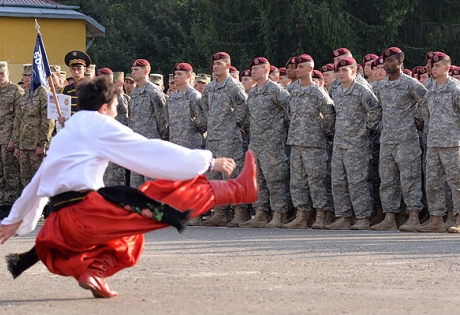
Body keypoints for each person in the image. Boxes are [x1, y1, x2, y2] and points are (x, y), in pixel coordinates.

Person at [0, 76, 258, 298]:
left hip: (59, 225)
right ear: (103, 107)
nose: (116, 112)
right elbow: (147, 151)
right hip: (86, 215)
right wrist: (208, 161)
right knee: (160, 195)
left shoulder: (65, 133)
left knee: (128, 237)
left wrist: (15, 220)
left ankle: (94, 272)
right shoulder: (100, 125)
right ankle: (238, 190)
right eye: (114, 106)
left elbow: (38, 183)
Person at [371, 47, 427, 232]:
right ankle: (390, 217)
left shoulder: (411, 84)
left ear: (400, 62)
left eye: (391, 61)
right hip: (387, 140)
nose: (387, 65)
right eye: (385, 61)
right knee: (387, 181)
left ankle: (413, 217)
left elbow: (427, 102)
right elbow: (376, 109)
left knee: (410, 179)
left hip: (406, 140)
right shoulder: (380, 86)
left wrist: (417, 118)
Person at [326, 57, 381, 230]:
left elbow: (375, 111)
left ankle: (363, 217)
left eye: (345, 70)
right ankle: (343, 216)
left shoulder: (361, 90)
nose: (341, 73)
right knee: (338, 181)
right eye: (339, 70)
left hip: (357, 143)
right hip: (340, 142)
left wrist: (367, 128)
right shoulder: (337, 89)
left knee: (357, 182)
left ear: (354, 71)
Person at [284, 54, 336, 229]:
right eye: (296, 67)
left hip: (314, 143)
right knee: (297, 181)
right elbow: (288, 114)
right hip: (296, 141)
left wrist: (323, 132)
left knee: (316, 180)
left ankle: (320, 214)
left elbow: (329, 116)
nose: (297, 70)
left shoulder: (317, 92)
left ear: (310, 69)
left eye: (301, 67)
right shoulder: (292, 91)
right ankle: (301, 214)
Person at [239, 57, 290, 228]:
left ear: (266, 70)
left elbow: (290, 112)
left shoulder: (276, 90)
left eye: (257, 69)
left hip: (272, 143)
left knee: (275, 180)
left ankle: (279, 213)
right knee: (257, 179)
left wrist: (280, 131)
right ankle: (261, 212)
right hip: (256, 143)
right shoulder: (253, 92)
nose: (253, 72)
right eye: (252, 69)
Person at [200, 52, 248, 227]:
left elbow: (242, 109)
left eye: (219, 64)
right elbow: (204, 106)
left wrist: (232, 124)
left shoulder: (234, 86)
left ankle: (239, 213)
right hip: (213, 137)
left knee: (232, 175)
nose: (215, 67)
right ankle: (220, 213)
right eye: (214, 64)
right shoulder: (211, 87)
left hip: (229, 138)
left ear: (228, 66)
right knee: (215, 176)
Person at [418, 52, 460, 233]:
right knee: (433, 182)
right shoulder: (430, 89)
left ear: (447, 68)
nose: (433, 69)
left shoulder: (455, 89)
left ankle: (458, 218)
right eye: (432, 66)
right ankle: (436, 218)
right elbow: (425, 114)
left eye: (437, 66)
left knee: (456, 182)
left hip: (452, 143)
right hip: (434, 142)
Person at [12, 64, 55, 187]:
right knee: (26, 180)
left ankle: (44, 205)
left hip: (36, 145)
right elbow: (18, 121)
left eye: (30, 75)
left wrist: (43, 144)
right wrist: (17, 145)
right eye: (25, 75)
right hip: (24, 145)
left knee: (40, 179)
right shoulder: (26, 95)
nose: (26, 78)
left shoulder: (44, 93)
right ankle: (29, 205)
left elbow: (48, 120)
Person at [129, 59, 169, 188]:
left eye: (136, 70)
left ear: (146, 71)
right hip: (136, 145)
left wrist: (160, 142)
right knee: (136, 187)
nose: (132, 72)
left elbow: (163, 120)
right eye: (132, 69)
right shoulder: (134, 93)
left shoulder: (154, 92)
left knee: (151, 186)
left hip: (151, 145)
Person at [0, 61, 23, 220]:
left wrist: (14, 140)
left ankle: (10, 204)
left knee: (10, 173)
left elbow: (19, 118)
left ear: (8, 73)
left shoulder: (16, 91)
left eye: (2, 74)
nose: (0, 77)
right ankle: (1, 202)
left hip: (8, 137)